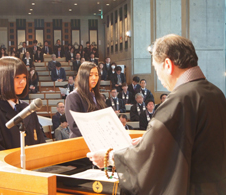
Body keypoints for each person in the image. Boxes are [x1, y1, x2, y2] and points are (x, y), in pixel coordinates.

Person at [87, 34, 226, 194]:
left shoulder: (179, 100)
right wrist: (151, 138)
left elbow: (149, 156)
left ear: (167, 64)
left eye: (157, 69)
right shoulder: (216, 93)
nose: (159, 78)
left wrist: (109, 157)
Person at [0, 56, 45, 153]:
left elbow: (40, 142)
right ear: (3, 79)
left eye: (24, 77)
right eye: (17, 77)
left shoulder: (28, 108)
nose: (22, 82)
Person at [65, 62, 106, 138]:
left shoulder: (100, 97)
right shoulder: (73, 97)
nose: (94, 78)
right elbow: (74, 126)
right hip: (82, 140)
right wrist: (96, 132)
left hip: (100, 138)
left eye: (96, 75)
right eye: (90, 75)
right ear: (83, 76)